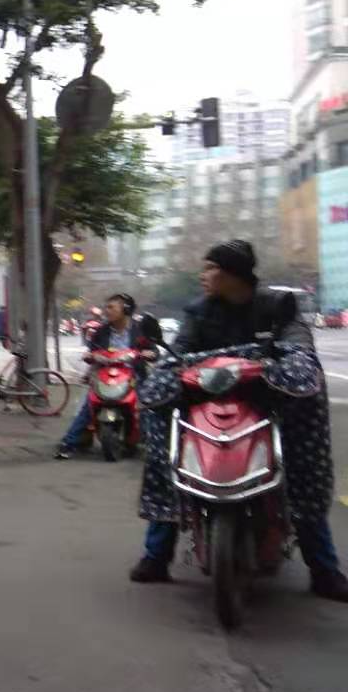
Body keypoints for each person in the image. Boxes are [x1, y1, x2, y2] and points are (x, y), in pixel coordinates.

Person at [130, 240, 348, 601]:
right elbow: (178, 354)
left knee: (301, 463)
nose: (202, 276)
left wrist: (282, 363)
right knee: (166, 455)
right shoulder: (198, 311)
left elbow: (299, 349)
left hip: (265, 400)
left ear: (233, 274)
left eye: (210, 268)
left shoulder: (277, 306)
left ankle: (324, 570)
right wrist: (174, 368)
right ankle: (156, 556)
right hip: (206, 398)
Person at [54, 293, 153, 460]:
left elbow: (153, 349)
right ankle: (68, 442)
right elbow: (92, 350)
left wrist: (150, 353)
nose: (107, 311)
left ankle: (151, 443)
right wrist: (89, 355)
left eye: (111, 307)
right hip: (105, 375)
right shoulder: (102, 331)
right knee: (88, 405)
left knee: (147, 406)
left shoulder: (140, 330)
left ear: (126, 309)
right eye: (106, 307)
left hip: (133, 375)